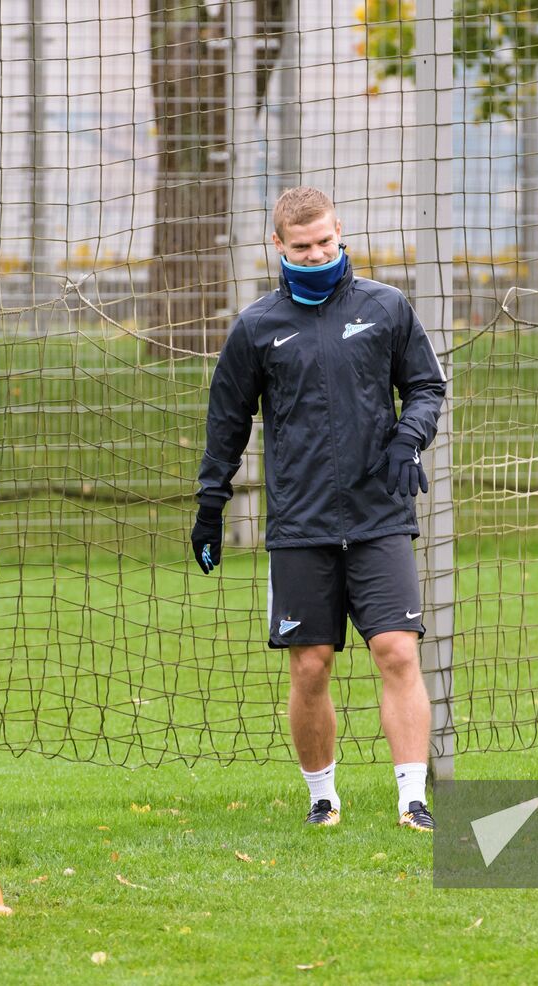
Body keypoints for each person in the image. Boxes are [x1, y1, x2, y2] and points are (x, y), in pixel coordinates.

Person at [192, 187, 446, 831]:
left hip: (379, 514)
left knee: (397, 650)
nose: (317, 254)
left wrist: (408, 439)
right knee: (310, 664)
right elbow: (227, 422)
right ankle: (321, 796)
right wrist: (210, 504)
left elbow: (425, 386)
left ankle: (412, 798)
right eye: (302, 247)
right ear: (278, 246)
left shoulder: (386, 307)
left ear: (341, 233)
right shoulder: (256, 327)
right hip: (300, 523)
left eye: (326, 242)